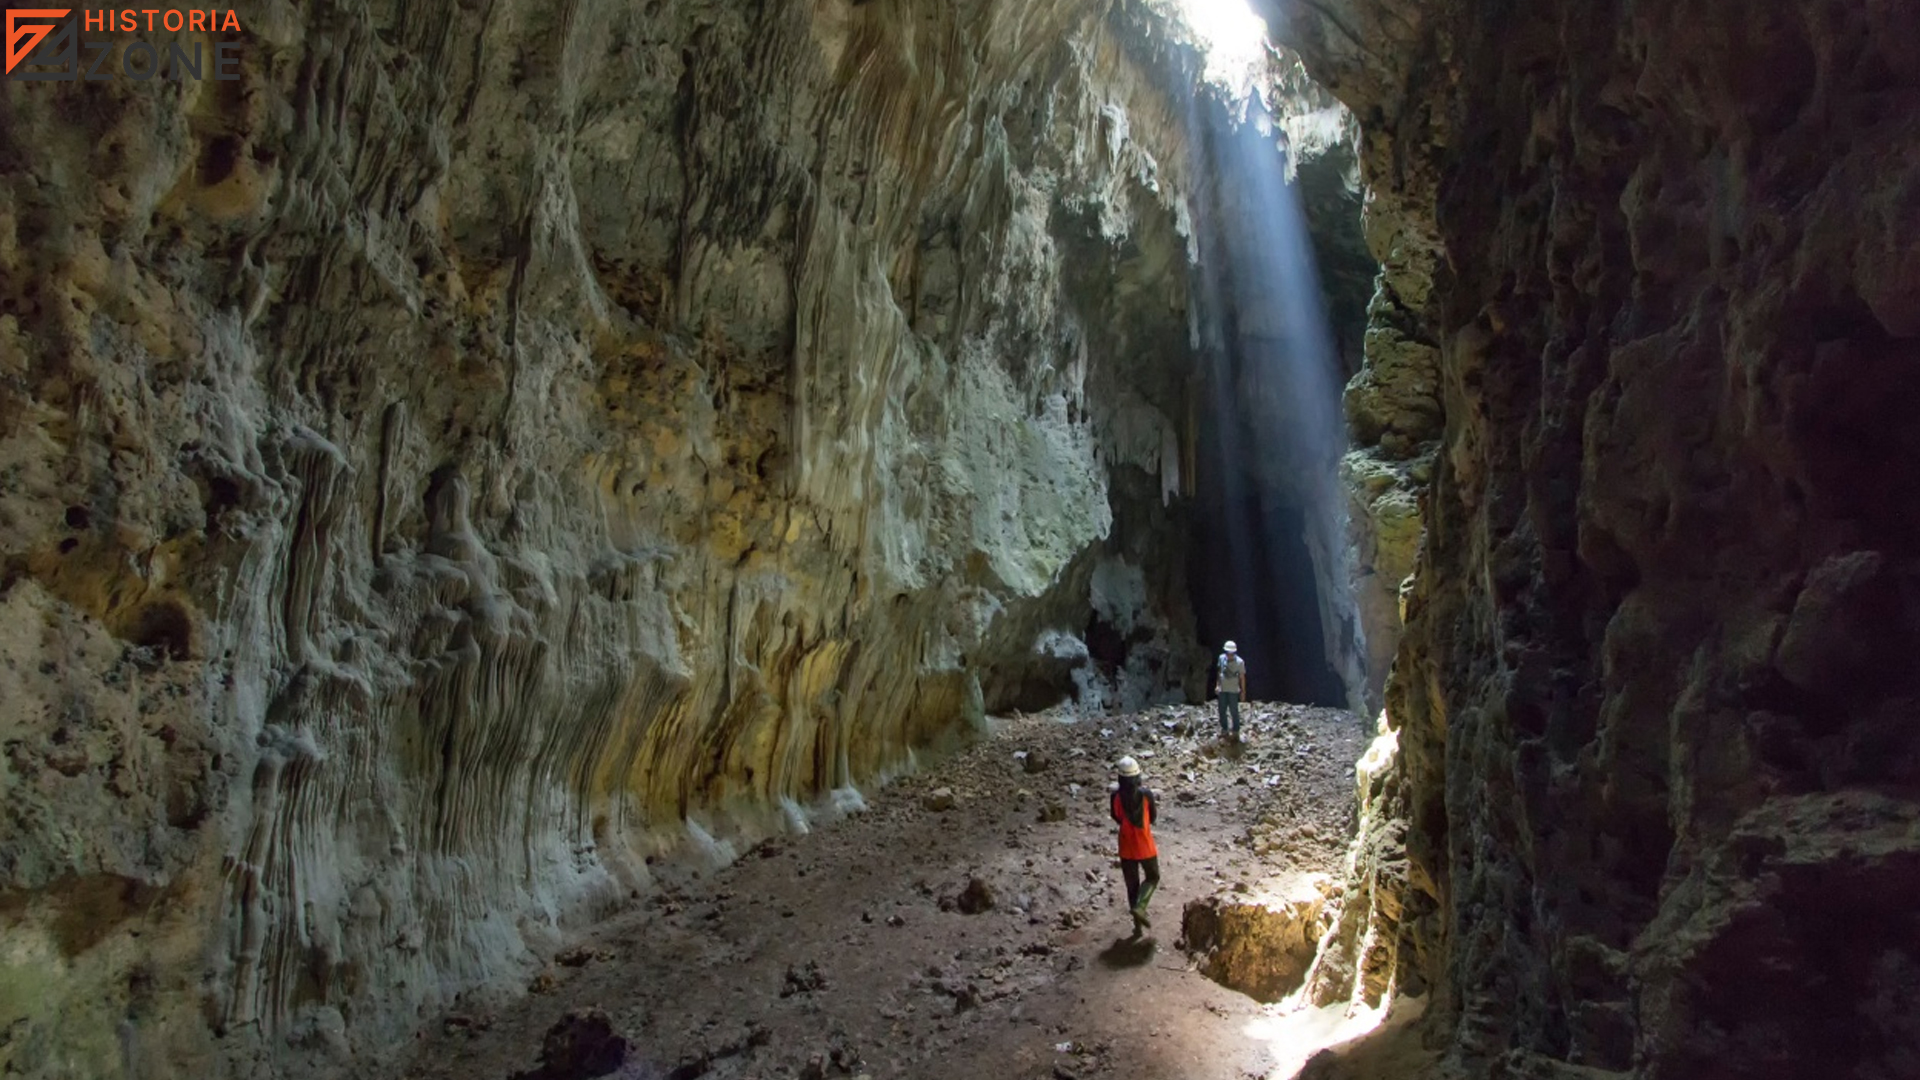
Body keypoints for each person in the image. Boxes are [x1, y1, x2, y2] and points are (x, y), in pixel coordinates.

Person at [1109, 756, 1159, 936]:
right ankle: (1141, 906)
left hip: (1125, 844)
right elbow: (1153, 817)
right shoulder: (1146, 795)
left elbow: (1116, 817)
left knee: (1132, 885)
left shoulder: (1115, 796)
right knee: (1152, 877)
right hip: (1144, 842)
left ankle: (1137, 927)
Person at [1214, 640, 1246, 741]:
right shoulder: (1221, 658)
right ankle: (1224, 729)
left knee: (1234, 711)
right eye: (1228, 653)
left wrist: (1243, 691)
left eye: (1231, 653)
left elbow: (1242, 677)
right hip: (1223, 689)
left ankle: (1236, 730)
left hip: (1233, 690)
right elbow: (1219, 672)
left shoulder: (1240, 662)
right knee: (1222, 710)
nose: (1229, 655)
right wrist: (1217, 685)